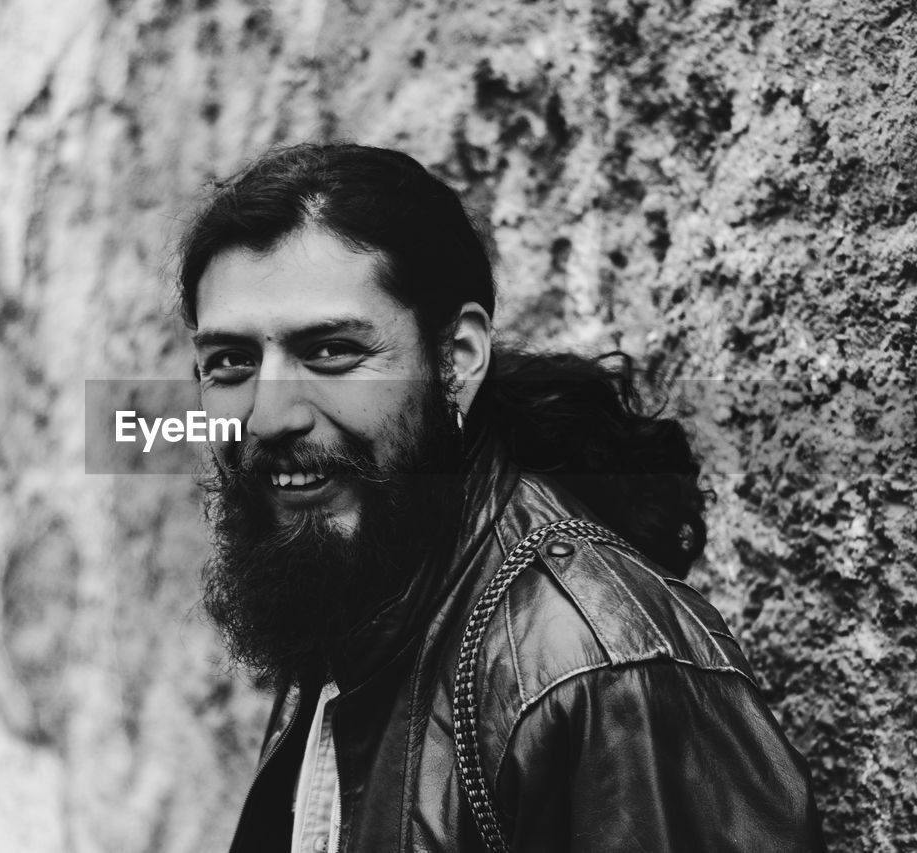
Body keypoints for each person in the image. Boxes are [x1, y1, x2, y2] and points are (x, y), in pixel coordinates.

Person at [176, 142, 825, 852]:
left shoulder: (598, 675)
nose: (270, 416)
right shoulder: (353, 577)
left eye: (331, 351)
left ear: (456, 360)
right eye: (231, 362)